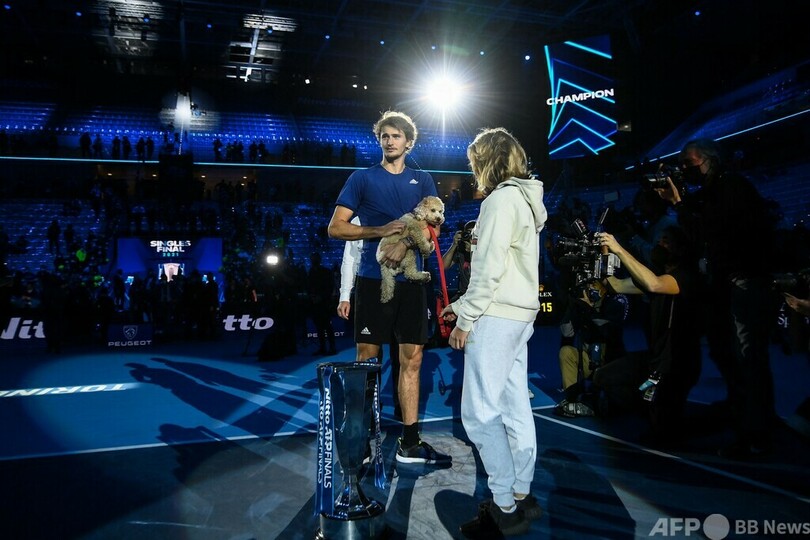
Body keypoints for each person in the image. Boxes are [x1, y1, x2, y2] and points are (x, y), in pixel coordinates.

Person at [441, 127, 547, 537]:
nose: (472, 170)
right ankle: (521, 493)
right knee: (515, 406)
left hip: (496, 316)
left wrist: (464, 319)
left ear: (486, 161)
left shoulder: (501, 200)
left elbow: (488, 271)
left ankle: (503, 506)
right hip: (519, 314)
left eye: (474, 163)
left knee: (480, 414)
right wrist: (462, 306)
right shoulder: (525, 198)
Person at [327, 110, 449, 464]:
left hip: (412, 284)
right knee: (368, 360)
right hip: (371, 280)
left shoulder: (424, 179)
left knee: (412, 359)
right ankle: (362, 439)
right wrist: (381, 232)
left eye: (396, 136)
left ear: (409, 143)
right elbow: (336, 228)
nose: (389, 141)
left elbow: (435, 228)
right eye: (384, 135)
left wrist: (403, 244)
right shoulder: (361, 178)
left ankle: (409, 442)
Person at [656, 138, 779, 459]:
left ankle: (756, 435)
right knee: (732, 357)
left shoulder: (732, 187)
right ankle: (747, 425)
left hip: (744, 284)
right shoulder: (717, 190)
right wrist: (678, 200)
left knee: (747, 360)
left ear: (710, 159)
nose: (685, 168)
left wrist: (680, 203)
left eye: (689, 162)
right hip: (731, 285)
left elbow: (705, 231)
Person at [594, 227, 701, 441]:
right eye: (659, 240)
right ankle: (648, 405)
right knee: (603, 377)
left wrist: (619, 249)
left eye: (666, 241)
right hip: (655, 360)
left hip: (675, 365)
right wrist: (604, 253)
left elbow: (654, 284)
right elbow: (614, 285)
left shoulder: (685, 277)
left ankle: (657, 409)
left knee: (664, 433)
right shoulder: (659, 277)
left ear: (680, 249)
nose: (660, 246)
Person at [337, 218, 401, 420]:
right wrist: (345, 295)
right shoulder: (359, 219)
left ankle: (403, 407)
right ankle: (368, 411)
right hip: (370, 291)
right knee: (368, 356)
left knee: (402, 353)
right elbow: (350, 259)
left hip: (401, 289)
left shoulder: (405, 212)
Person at [555, 279, 627, 418]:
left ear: (604, 289)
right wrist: (571, 307)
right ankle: (572, 397)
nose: (590, 290)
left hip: (610, 364)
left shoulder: (613, 305)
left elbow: (607, 331)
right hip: (589, 362)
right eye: (588, 287)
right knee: (566, 352)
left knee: (612, 407)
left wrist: (589, 309)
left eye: (594, 286)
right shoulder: (581, 307)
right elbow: (566, 332)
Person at [307, 252, 337, 356]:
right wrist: (312, 297)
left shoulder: (326, 272)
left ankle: (332, 347)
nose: (313, 261)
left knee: (328, 326)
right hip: (315, 303)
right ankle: (322, 347)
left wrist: (323, 297)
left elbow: (330, 287)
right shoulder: (310, 272)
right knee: (318, 327)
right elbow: (309, 286)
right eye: (312, 259)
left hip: (325, 303)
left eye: (315, 258)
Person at [442, 220, 475, 302]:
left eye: (473, 233)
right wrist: (454, 245)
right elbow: (443, 266)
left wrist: (473, 250)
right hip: (463, 294)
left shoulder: (485, 249)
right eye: (468, 233)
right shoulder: (461, 249)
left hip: (477, 294)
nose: (470, 237)